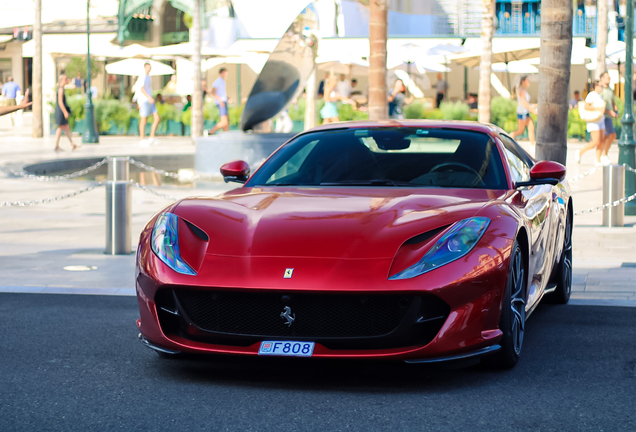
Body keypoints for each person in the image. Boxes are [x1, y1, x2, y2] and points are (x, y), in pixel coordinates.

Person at [575, 80, 606, 166]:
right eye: (600, 86)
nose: (601, 87)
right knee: (595, 141)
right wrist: (596, 108)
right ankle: (580, 152)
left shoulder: (599, 96)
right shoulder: (591, 95)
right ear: (595, 86)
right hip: (593, 121)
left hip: (600, 120)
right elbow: (586, 106)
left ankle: (598, 160)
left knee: (602, 141)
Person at [134, 62, 161, 145]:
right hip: (144, 101)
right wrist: (149, 98)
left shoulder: (148, 77)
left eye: (150, 67)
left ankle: (152, 137)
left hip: (150, 101)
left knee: (157, 118)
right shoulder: (142, 76)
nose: (149, 68)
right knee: (143, 120)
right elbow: (141, 89)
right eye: (147, 67)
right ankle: (142, 139)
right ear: (145, 67)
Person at [54, 75, 79, 152]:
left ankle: (72, 144)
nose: (67, 80)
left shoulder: (61, 89)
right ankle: (56, 146)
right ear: (62, 80)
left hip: (61, 111)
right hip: (60, 111)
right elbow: (60, 102)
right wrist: (65, 112)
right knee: (60, 127)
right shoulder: (60, 90)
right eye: (66, 79)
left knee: (66, 127)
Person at [510, 76, 537, 146]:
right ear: (523, 81)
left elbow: (526, 103)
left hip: (525, 112)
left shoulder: (524, 91)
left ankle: (532, 145)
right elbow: (523, 102)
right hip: (522, 113)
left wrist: (533, 106)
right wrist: (532, 110)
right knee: (520, 130)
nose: (529, 82)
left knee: (531, 128)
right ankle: (508, 138)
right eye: (527, 80)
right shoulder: (522, 91)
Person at [599, 72, 618, 165]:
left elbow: (613, 102)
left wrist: (615, 109)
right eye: (607, 77)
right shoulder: (600, 90)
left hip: (609, 117)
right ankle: (604, 155)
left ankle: (603, 155)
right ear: (602, 78)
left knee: (605, 138)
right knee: (612, 135)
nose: (609, 79)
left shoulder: (610, 90)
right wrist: (609, 111)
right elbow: (599, 106)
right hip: (603, 117)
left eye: (609, 77)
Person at [208, 68, 229, 135]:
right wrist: (220, 101)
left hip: (223, 101)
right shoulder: (218, 81)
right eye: (224, 72)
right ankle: (211, 132)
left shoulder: (222, 81)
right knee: (224, 122)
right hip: (221, 103)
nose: (225, 74)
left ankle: (226, 135)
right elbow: (213, 92)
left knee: (226, 122)